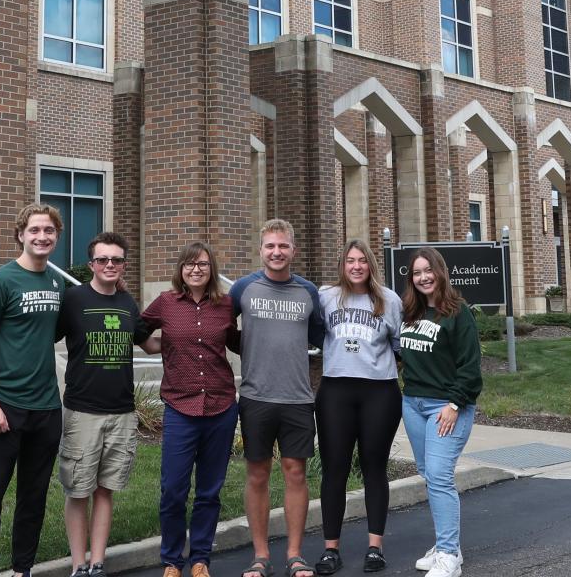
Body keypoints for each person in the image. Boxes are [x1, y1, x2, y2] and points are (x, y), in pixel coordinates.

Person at [0, 203, 69, 577]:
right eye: (34, 230)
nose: (42, 237)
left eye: (49, 231)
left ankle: (22, 569)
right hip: (5, 407)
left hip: (46, 407)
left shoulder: (56, 283)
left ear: (56, 236)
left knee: (33, 497)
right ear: (20, 235)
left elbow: (54, 331)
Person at [137, 241, 240, 577]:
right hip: (180, 408)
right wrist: (155, 347)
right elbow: (139, 329)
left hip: (221, 408)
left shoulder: (225, 305)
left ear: (212, 270)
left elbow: (239, 341)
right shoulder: (166, 303)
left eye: (203, 265)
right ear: (180, 270)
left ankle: (200, 559)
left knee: (209, 491)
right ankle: (171, 560)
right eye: (189, 265)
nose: (196, 270)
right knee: (173, 490)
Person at [231, 219, 327, 577]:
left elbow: (319, 335)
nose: (276, 252)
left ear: (293, 250)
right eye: (270, 246)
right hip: (256, 396)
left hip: (298, 397)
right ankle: (260, 556)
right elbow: (224, 328)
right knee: (257, 474)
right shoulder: (243, 289)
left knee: (295, 473)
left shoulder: (308, 292)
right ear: (261, 250)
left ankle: (294, 554)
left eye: (283, 246)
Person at [314, 240, 404, 575]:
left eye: (362, 261)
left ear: (370, 265)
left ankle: (375, 548)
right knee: (334, 469)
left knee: (374, 468)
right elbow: (313, 334)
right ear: (342, 264)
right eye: (350, 261)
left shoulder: (389, 300)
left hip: (379, 392)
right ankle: (330, 550)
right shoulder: (326, 298)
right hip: (336, 390)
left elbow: (401, 347)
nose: (356, 266)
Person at [58, 231, 143, 577]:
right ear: (91, 263)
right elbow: (41, 335)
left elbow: (146, 341)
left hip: (122, 412)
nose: (110, 265)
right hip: (82, 412)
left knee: (107, 489)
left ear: (124, 264)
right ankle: (79, 565)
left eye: (117, 260)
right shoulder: (73, 299)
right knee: (79, 490)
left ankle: (97, 563)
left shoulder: (127, 304)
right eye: (103, 259)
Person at [397, 249, 483, 577]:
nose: (423, 277)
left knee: (439, 474)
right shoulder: (411, 312)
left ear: (440, 272)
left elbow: (471, 368)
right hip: (414, 404)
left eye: (428, 270)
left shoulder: (457, 312)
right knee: (428, 473)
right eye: (417, 273)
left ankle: (448, 554)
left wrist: (454, 404)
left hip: (446, 407)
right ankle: (448, 545)